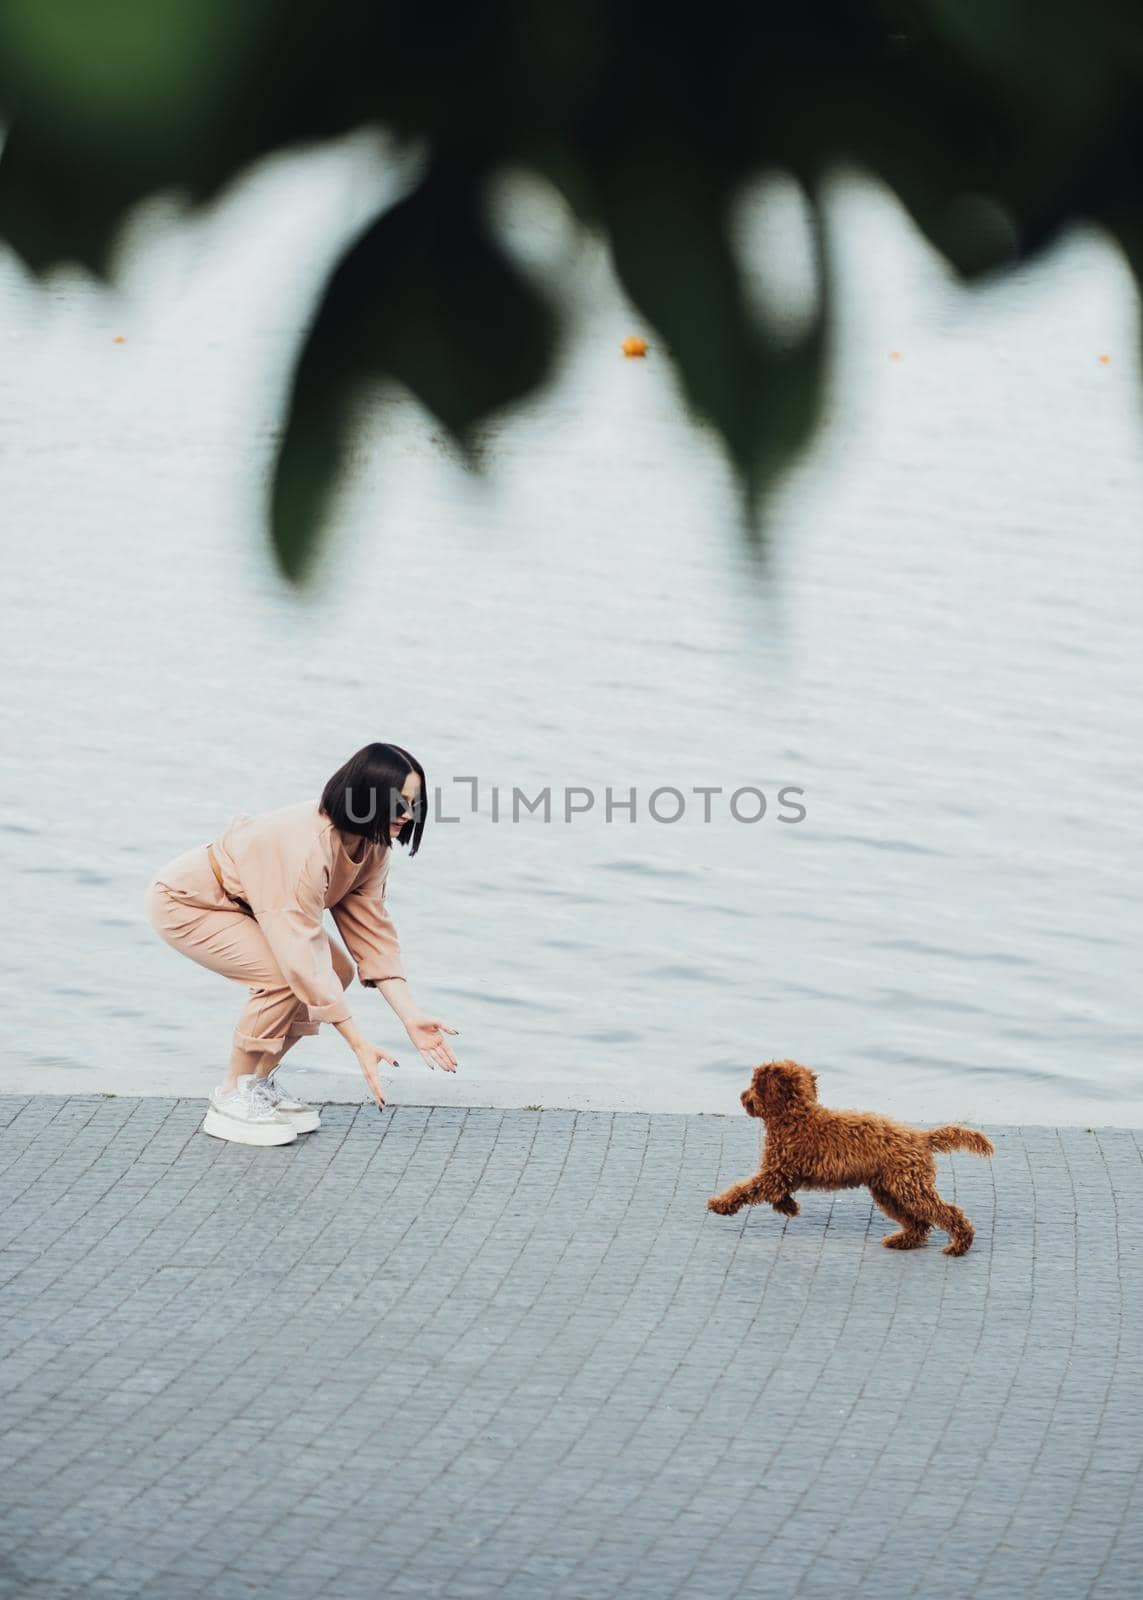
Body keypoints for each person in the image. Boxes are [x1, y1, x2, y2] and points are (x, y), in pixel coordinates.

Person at [144, 742, 458, 1146]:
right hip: (191, 901)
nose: (407, 814)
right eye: (398, 802)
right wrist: (357, 1042)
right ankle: (231, 1095)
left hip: (257, 906)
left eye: (414, 804)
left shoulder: (372, 845)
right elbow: (299, 954)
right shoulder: (307, 845)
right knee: (282, 976)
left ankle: (255, 1085)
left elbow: (372, 934)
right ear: (365, 796)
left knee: (338, 971)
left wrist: (410, 1016)